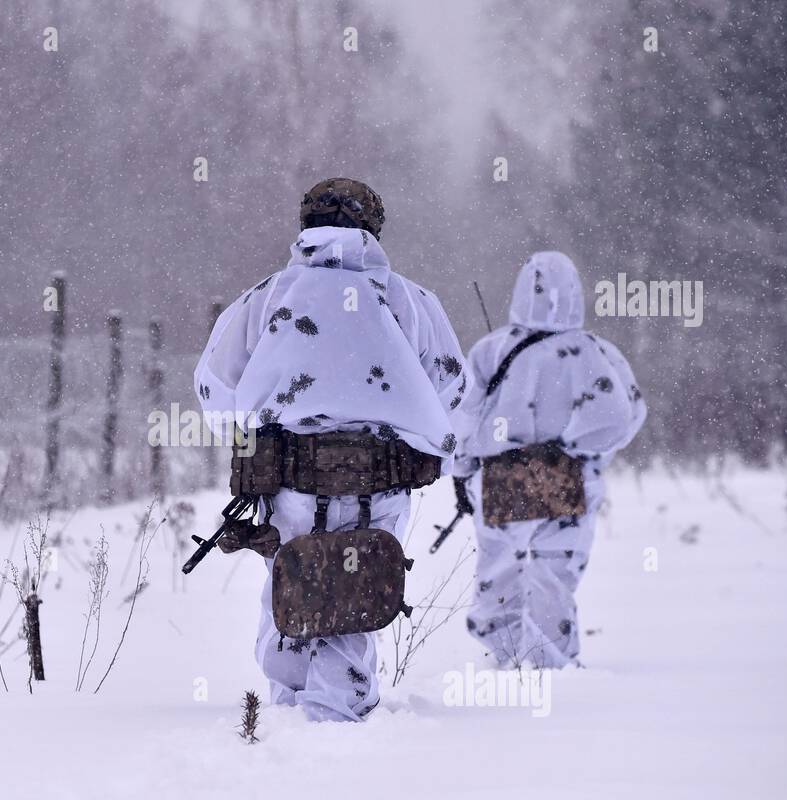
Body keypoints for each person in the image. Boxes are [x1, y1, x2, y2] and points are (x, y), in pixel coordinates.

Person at [194, 177, 466, 721]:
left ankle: (287, 712)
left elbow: (215, 390)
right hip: (380, 480)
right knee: (356, 586)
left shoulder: (263, 298)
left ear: (304, 225)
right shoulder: (412, 301)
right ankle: (337, 715)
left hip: (291, 481)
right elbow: (451, 392)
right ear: (375, 227)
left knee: (290, 580)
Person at [451, 251, 646, 668]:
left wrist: (462, 471)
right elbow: (627, 417)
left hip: (502, 480)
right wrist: (583, 452)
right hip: (571, 477)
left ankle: (503, 659)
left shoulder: (491, 350)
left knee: (499, 575)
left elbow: (463, 419)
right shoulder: (598, 352)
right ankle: (553, 667)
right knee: (553, 577)